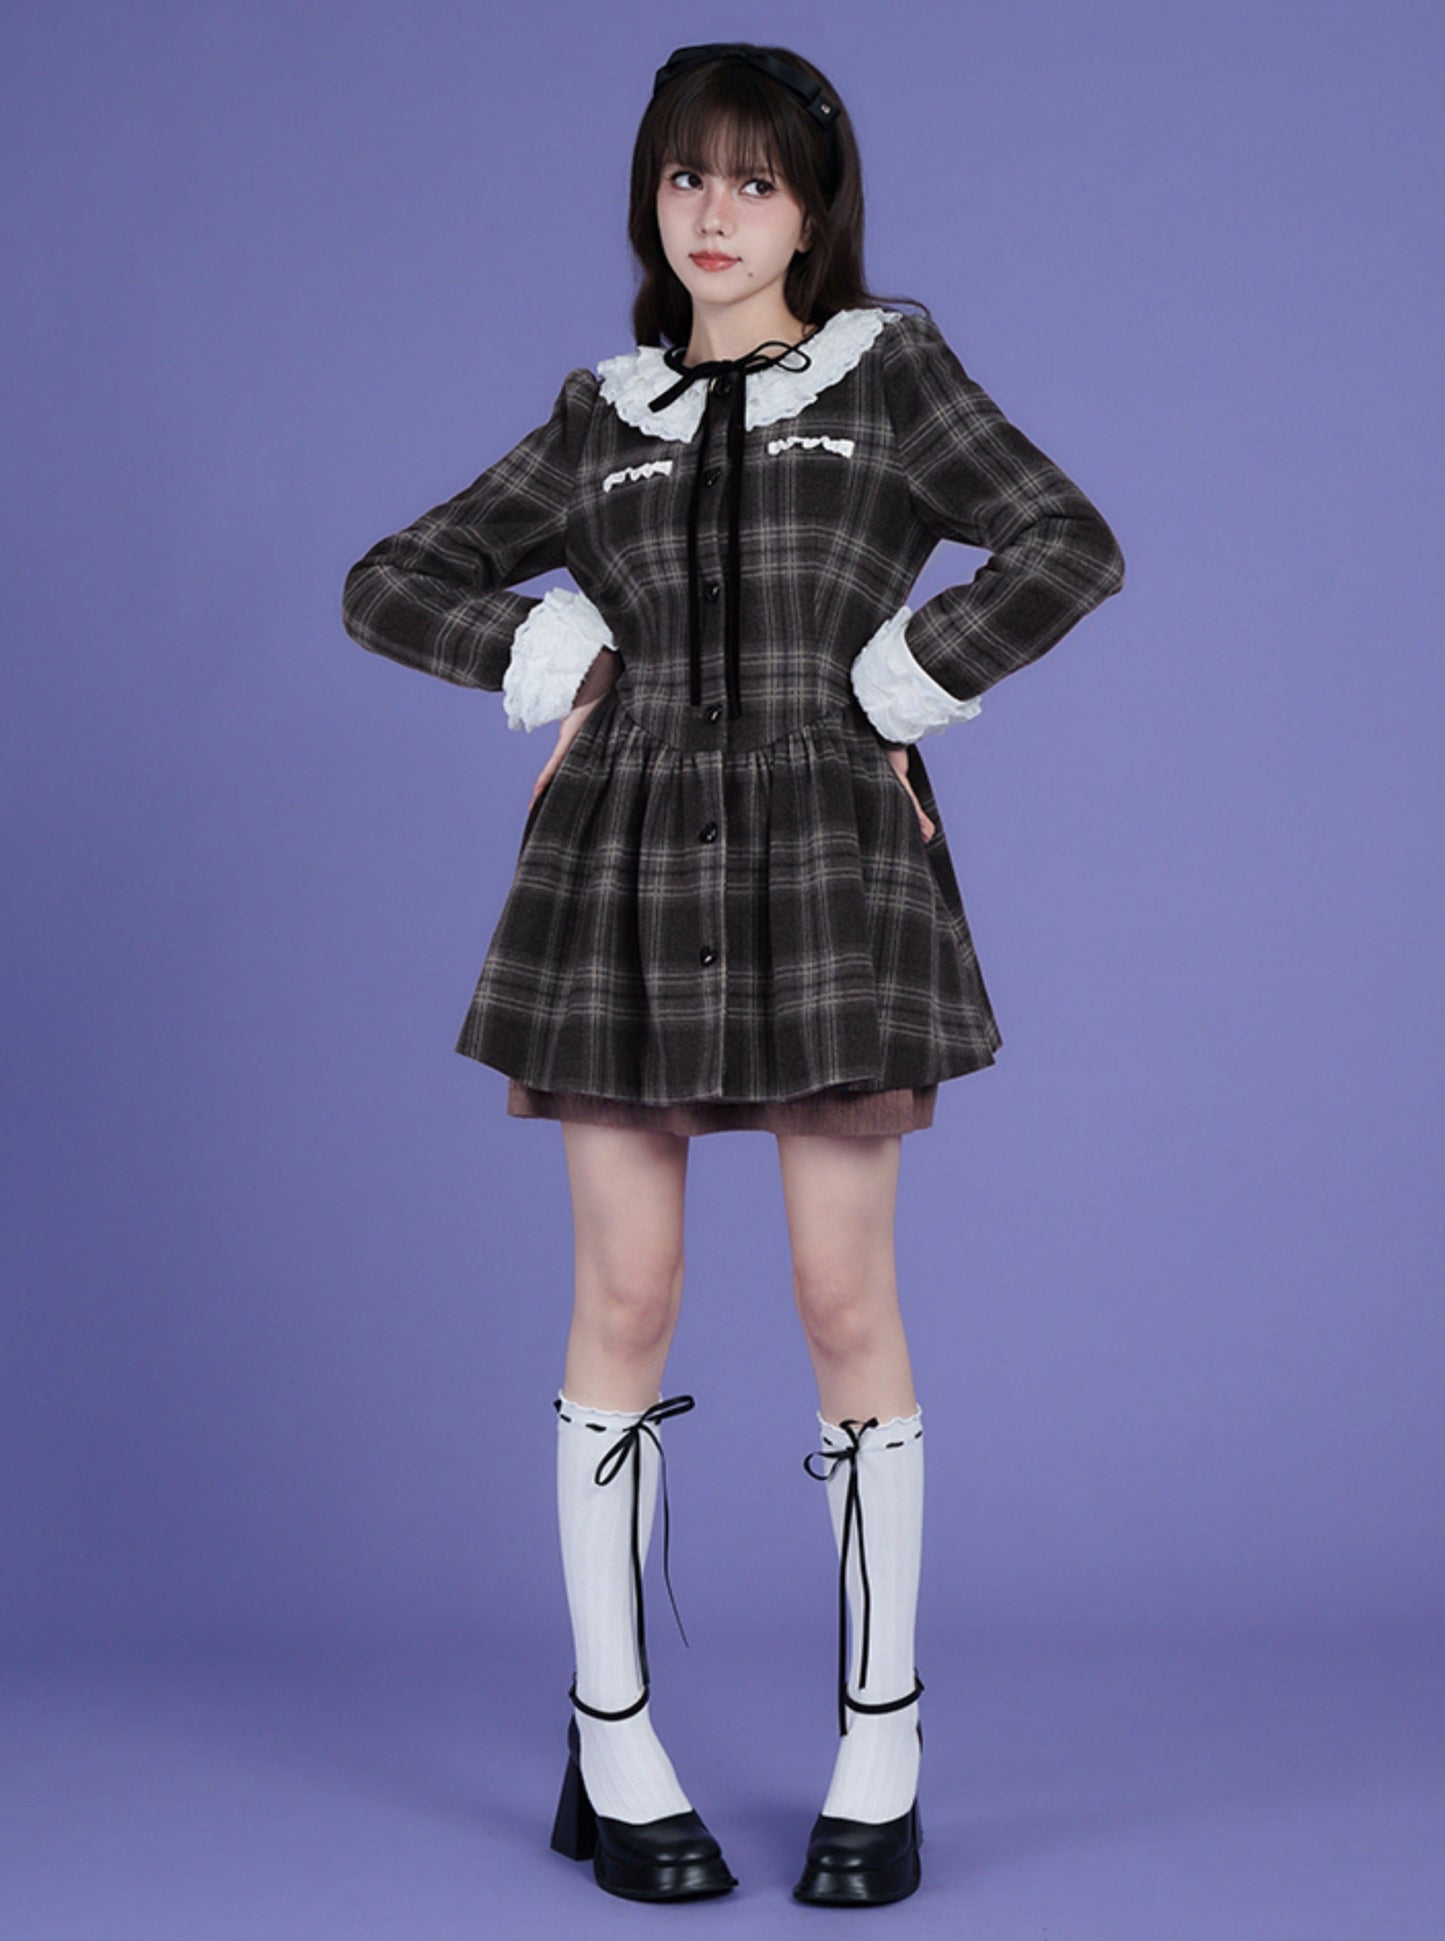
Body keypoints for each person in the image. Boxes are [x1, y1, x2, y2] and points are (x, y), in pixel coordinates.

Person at [340, 40, 1125, 1908]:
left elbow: (1065, 541)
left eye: (755, 182)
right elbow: (389, 577)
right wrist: (562, 659)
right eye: (687, 176)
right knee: (626, 1291)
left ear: (813, 211)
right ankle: (611, 1737)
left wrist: (897, 682)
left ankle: (881, 1743)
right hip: (616, 878)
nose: (714, 214)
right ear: (652, 195)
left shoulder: (887, 377)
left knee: (843, 1299)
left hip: (829, 872)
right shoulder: (597, 413)